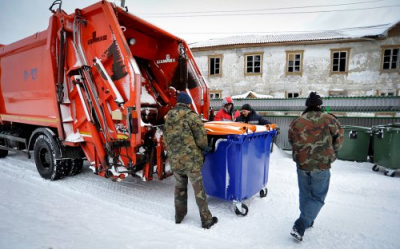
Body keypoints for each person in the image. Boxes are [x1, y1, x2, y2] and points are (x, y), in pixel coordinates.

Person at [288, 92, 344, 242]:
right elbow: (339, 141)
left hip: (302, 164)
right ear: (319, 105)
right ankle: (301, 224)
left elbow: (291, 140)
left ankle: (307, 219)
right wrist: (331, 151)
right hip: (321, 165)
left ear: (307, 105)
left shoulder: (297, 121)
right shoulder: (330, 119)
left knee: (305, 194)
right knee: (318, 197)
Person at [164, 91, 218, 229]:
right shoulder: (192, 117)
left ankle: (179, 216)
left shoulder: (168, 117)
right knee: (199, 190)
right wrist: (205, 147)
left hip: (175, 160)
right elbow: (201, 140)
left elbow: (165, 138)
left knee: (180, 188)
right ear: (188, 103)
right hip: (191, 161)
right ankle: (206, 220)